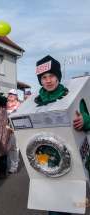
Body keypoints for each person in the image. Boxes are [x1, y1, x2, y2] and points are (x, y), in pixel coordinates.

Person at [35, 55, 90, 215]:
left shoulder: (71, 96)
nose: (49, 80)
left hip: (71, 158)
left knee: (66, 205)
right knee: (54, 203)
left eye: (52, 75)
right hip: (46, 159)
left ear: (58, 77)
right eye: (44, 77)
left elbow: (84, 112)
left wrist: (84, 121)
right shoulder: (36, 100)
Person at [6, 89, 21, 173]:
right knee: (8, 148)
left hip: (15, 129)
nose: (11, 95)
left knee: (14, 148)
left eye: (13, 94)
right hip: (6, 129)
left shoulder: (19, 105)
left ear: (16, 96)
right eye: (9, 94)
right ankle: (14, 160)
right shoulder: (5, 105)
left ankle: (14, 166)